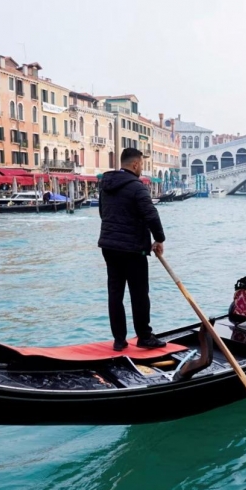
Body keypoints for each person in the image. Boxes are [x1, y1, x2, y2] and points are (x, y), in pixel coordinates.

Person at [98, 148, 167, 351]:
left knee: (115, 293)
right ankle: (144, 336)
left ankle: (119, 340)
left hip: (109, 246)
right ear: (135, 164)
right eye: (142, 165)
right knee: (139, 293)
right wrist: (159, 239)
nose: (142, 168)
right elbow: (151, 215)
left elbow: (103, 213)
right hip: (132, 249)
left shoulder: (106, 185)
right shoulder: (137, 187)